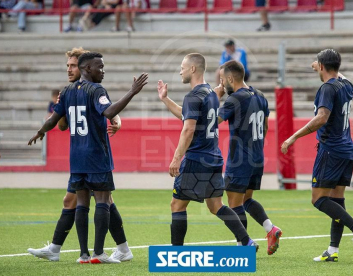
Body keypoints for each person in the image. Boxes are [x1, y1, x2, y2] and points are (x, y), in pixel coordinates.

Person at [28, 52, 149, 263]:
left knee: (81, 204)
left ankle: (83, 254)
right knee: (103, 201)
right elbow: (109, 111)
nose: (103, 71)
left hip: (76, 158)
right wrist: (132, 92)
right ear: (88, 69)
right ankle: (99, 253)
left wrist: (41, 131)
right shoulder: (96, 90)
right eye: (100, 67)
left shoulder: (66, 91)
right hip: (96, 155)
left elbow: (54, 120)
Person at [281, 49, 353, 261]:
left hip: (330, 149)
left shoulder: (327, 88)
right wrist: (321, 66)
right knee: (337, 199)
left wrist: (293, 137)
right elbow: (340, 75)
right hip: (346, 148)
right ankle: (332, 251)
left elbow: (322, 118)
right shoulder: (346, 85)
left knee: (318, 199)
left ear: (322, 67)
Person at [157, 53, 258, 248]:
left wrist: (177, 158)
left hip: (196, 159)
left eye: (182, 67)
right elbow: (187, 116)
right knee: (216, 206)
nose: (180, 71)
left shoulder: (193, 96)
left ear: (193, 69)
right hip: (213, 157)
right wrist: (165, 99)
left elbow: (188, 128)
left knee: (177, 205)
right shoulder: (211, 94)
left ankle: (176, 252)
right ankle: (247, 242)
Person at [214, 60, 282, 255]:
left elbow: (213, 121)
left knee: (234, 204)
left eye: (222, 80)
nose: (221, 84)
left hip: (240, 159)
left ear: (229, 78)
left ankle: (242, 246)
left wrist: (216, 99)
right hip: (257, 157)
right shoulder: (260, 96)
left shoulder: (234, 99)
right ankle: (270, 228)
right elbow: (266, 127)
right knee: (247, 199)